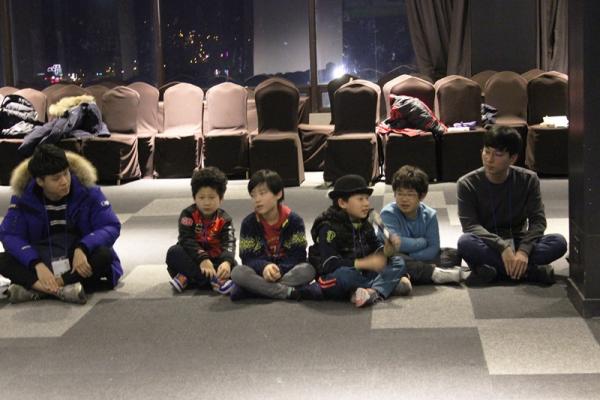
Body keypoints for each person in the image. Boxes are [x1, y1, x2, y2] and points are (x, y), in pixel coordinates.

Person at [0, 144, 122, 304]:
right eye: (56, 178)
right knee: (3, 259)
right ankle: (65, 290)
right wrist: (36, 263)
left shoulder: (88, 191)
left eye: (66, 173)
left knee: (104, 255)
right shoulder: (24, 197)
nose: (64, 181)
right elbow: (9, 235)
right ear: (40, 181)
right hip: (42, 257)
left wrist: (83, 247)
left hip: (76, 258)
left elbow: (111, 225)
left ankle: (40, 289)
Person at [456, 126, 567, 285]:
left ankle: (496, 271)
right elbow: (470, 225)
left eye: (498, 154)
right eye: (486, 151)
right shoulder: (467, 183)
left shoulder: (528, 180)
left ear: (513, 158)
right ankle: (531, 272)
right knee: (465, 243)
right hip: (487, 242)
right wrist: (502, 247)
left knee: (558, 242)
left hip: (519, 240)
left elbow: (538, 221)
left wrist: (524, 251)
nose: (489, 159)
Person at [308, 174, 407, 307]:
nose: (366, 203)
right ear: (342, 203)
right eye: (360, 199)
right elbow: (329, 264)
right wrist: (363, 263)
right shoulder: (328, 227)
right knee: (344, 275)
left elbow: (375, 250)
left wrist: (386, 251)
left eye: (367, 198)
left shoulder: (364, 223)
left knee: (397, 261)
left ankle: (371, 292)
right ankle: (383, 286)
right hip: (335, 277)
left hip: (363, 273)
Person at [230, 169, 316, 300]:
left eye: (262, 193)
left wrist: (279, 270)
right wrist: (265, 267)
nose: (257, 199)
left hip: (285, 271)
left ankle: (257, 290)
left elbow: (298, 255)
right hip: (260, 273)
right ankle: (286, 291)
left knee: (308, 269)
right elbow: (248, 258)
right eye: (253, 195)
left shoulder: (294, 221)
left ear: (278, 193)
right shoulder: (249, 223)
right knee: (238, 272)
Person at [381, 165, 467, 288]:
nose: (404, 199)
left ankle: (411, 273)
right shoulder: (388, 213)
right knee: (390, 257)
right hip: (394, 255)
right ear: (394, 194)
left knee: (453, 254)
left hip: (411, 257)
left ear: (421, 196)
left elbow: (433, 247)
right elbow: (396, 244)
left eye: (410, 194)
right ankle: (432, 273)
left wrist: (412, 257)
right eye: (400, 194)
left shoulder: (430, 215)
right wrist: (421, 242)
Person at [166, 167, 236, 294]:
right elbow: (186, 239)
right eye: (201, 197)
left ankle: (189, 279)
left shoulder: (225, 219)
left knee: (234, 266)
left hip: (215, 259)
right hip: (193, 257)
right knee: (173, 253)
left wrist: (226, 262)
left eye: (212, 197)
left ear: (221, 199)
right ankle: (215, 280)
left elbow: (229, 243)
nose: (206, 202)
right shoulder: (188, 214)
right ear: (194, 198)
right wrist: (202, 259)